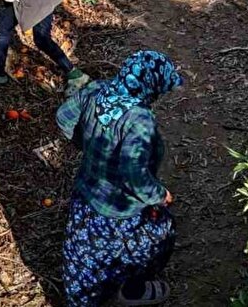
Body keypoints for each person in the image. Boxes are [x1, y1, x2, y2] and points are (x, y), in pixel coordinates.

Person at [57, 51, 183, 307]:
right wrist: (159, 195)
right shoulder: (139, 121)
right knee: (158, 239)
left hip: (86, 198)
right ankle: (133, 290)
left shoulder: (96, 90)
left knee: (87, 258)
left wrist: (84, 144)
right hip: (119, 211)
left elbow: (63, 117)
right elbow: (134, 174)